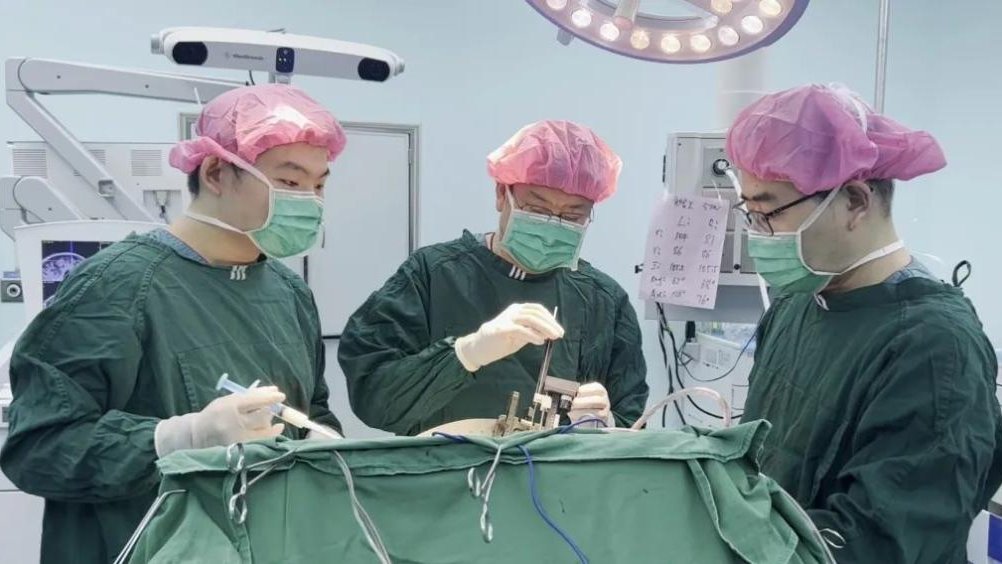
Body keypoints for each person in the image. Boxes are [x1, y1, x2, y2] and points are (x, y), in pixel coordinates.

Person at [0, 83, 346, 564]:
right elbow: (39, 447)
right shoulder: (114, 287)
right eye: (289, 181)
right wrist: (182, 438)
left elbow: (313, 413)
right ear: (215, 172)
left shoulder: (288, 293)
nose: (309, 201)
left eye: (319, 184)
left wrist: (329, 446)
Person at [728, 83, 1002, 563]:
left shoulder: (935, 348)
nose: (758, 236)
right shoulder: (796, 305)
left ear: (855, 200)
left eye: (768, 213)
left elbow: (879, 543)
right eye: (749, 212)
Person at [338, 120, 648, 435]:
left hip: (553, 467)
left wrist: (606, 424)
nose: (551, 226)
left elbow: (632, 423)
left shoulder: (603, 301)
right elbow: (373, 397)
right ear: (502, 194)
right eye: (537, 209)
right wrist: (466, 353)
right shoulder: (433, 275)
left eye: (571, 216)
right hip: (441, 464)